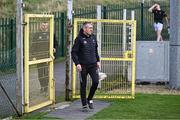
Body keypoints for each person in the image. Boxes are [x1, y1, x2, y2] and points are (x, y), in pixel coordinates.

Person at [71, 22, 100, 111]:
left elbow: (95, 50)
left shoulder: (93, 38)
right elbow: (74, 52)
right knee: (83, 85)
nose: (91, 29)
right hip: (83, 66)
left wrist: (98, 60)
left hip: (93, 65)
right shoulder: (79, 39)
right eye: (89, 28)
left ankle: (89, 99)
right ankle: (84, 105)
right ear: (84, 29)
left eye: (92, 28)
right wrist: (77, 64)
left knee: (96, 82)